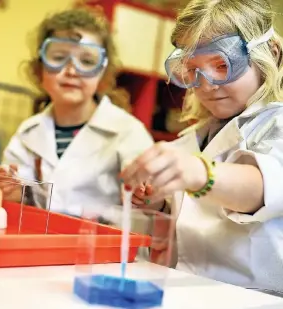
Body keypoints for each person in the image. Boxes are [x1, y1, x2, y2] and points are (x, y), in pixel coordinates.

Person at [120, 0, 283, 295]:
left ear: (268, 55)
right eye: (192, 70)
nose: (206, 85)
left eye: (223, 65)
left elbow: (264, 188)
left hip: (254, 298)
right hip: (189, 287)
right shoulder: (195, 138)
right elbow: (193, 218)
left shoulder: (278, 124)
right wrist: (156, 201)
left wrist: (198, 172)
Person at [0, 5, 155, 217]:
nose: (72, 70)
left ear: (102, 73)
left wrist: (143, 191)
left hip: (99, 246)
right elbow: (20, 202)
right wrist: (12, 192)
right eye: (58, 58)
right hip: (40, 242)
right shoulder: (28, 133)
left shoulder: (128, 132)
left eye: (86, 61)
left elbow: (145, 200)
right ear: (40, 68)